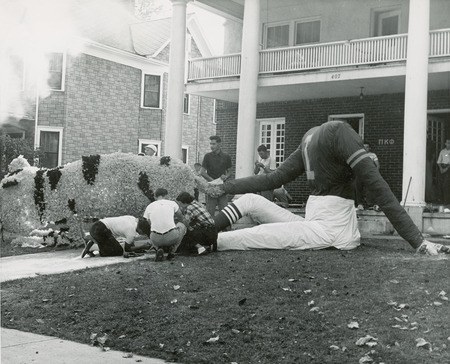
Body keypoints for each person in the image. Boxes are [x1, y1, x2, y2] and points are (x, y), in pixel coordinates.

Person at [211, 120, 449, 255]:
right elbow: (381, 191)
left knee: (261, 225)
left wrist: (225, 186)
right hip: (332, 229)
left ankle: (206, 236)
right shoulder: (341, 134)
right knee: (262, 233)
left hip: (318, 220)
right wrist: (417, 240)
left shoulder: (310, 137)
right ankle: (209, 233)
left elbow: (272, 179)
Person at [143, 188, 187, 261]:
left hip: (155, 239)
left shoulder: (149, 206)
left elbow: (148, 222)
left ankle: (158, 249)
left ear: (155, 196)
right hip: (171, 237)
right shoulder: (172, 203)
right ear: (165, 195)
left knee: (153, 228)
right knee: (181, 225)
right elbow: (181, 218)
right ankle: (172, 252)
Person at [81, 216, 151, 258]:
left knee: (115, 247)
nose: (142, 234)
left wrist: (137, 249)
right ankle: (92, 247)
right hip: (100, 230)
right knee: (117, 251)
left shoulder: (132, 219)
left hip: (98, 226)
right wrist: (143, 246)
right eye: (143, 233)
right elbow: (127, 249)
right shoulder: (131, 232)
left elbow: (130, 242)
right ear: (140, 229)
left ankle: (93, 240)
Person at [201, 135, 232, 216]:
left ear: (219, 144)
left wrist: (226, 176)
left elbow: (229, 172)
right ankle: (210, 227)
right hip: (211, 187)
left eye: (214, 144)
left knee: (224, 210)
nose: (211, 146)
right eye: (210, 144)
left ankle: (226, 228)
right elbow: (202, 172)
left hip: (222, 187)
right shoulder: (207, 156)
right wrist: (212, 181)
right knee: (210, 211)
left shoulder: (226, 156)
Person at [355, 141, 380, 210]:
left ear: (370, 148)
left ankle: (370, 204)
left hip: (369, 175)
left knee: (369, 189)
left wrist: (375, 174)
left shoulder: (373, 155)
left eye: (367, 147)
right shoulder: (359, 155)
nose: (365, 148)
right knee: (358, 188)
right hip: (360, 174)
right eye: (364, 147)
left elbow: (377, 165)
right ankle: (360, 204)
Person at [437, 138, 450, 207]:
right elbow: (439, 161)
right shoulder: (442, 151)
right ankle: (441, 200)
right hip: (442, 168)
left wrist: (447, 168)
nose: (448, 144)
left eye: (449, 143)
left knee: (446, 185)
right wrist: (441, 169)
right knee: (440, 184)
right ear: (445, 144)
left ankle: (446, 201)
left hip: (448, 168)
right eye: (447, 143)